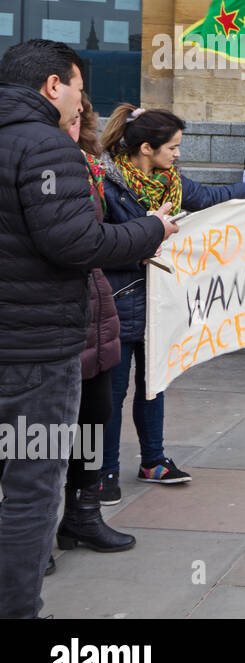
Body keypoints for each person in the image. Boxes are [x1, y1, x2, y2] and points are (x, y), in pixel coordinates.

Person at [0, 39, 175, 618]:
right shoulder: (45, 146)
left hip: (47, 334)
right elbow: (75, 241)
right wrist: (151, 230)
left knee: (73, 442)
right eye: (77, 87)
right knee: (30, 488)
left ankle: (82, 516)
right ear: (54, 86)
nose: (81, 102)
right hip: (35, 348)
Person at [98, 103, 245, 501]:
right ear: (146, 148)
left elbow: (208, 196)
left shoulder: (170, 181)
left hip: (161, 303)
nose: (177, 154)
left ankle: (154, 460)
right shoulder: (106, 185)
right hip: (119, 305)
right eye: (171, 147)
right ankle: (104, 473)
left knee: (155, 386)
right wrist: (146, 239)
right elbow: (97, 245)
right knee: (112, 396)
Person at [53, 94, 138, 555]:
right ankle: (28, 540)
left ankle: (83, 515)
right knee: (34, 434)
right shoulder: (38, 165)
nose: (75, 125)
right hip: (47, 316)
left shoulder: (92, 166)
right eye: (69, 117)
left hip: (94, 307)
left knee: (94, 413)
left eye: (80, 118)